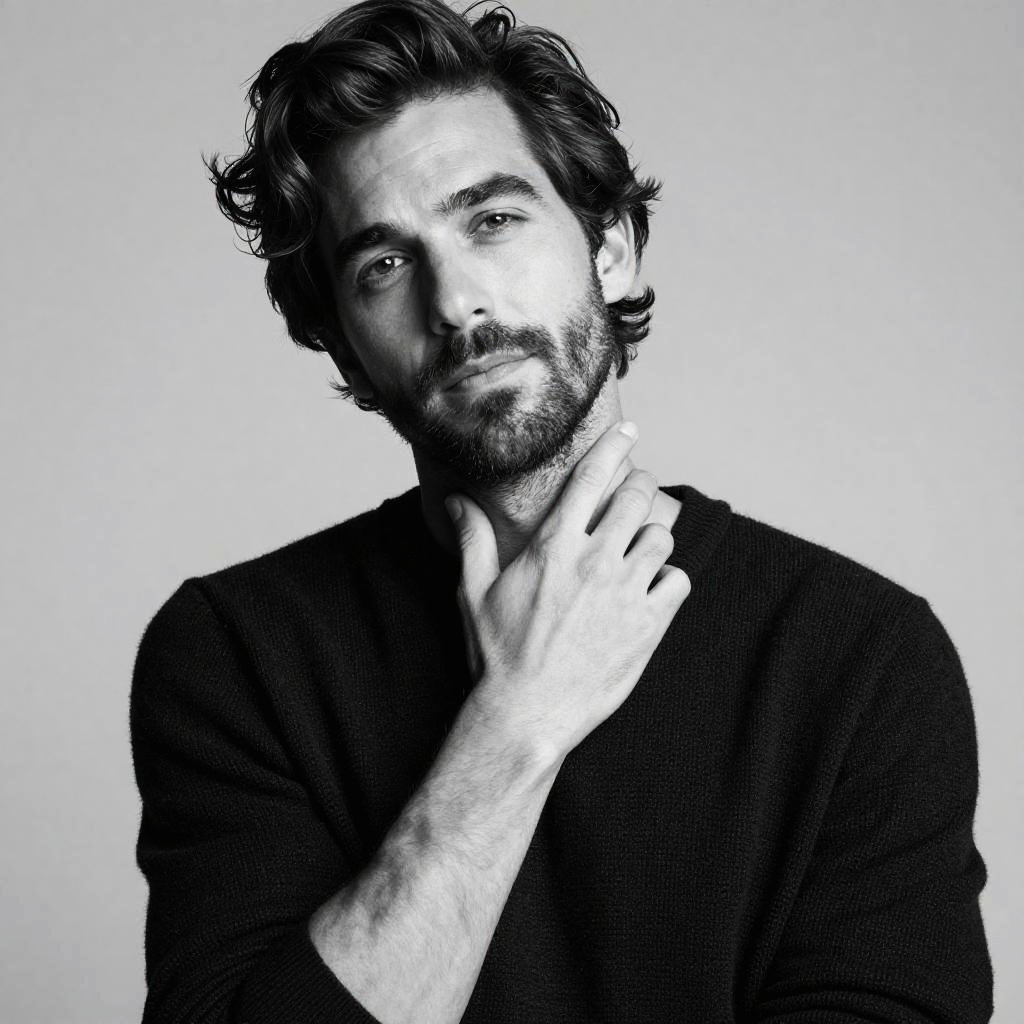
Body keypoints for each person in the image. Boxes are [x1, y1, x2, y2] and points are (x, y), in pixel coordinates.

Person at [129, 1, 993, 1021]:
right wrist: (514, 725)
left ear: (610, 249)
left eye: (492, 219)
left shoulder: (860, 658)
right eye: (383, 265)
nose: (456, 302)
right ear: (347, 352)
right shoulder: (238, 656)